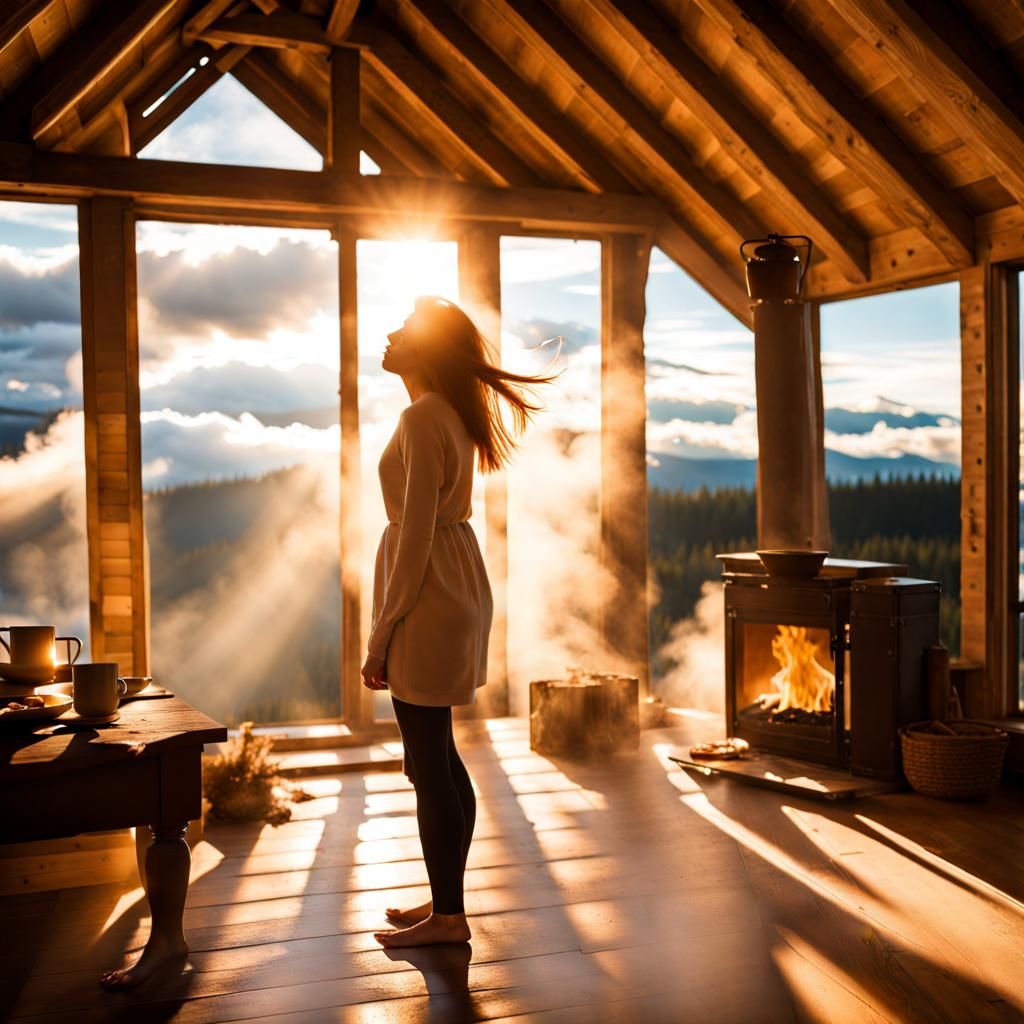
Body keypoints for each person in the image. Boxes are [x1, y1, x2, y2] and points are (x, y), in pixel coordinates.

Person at [362, 295, 561, 948]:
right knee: (437, 758)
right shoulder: (440, 413)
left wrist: (380, 636)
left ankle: (449, 917)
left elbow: (415, 536)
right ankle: (445, 894)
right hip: (455, 586)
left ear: (425, 350)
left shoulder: (423, 418)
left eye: (402, 330)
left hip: (429, 595)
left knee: (428, 761)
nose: (388, 336)